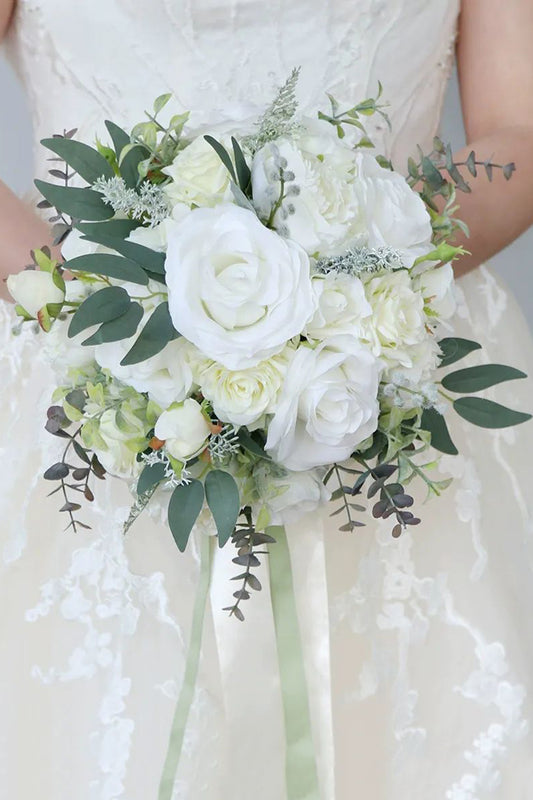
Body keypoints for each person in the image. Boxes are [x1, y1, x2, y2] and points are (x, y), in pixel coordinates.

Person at [1, 1, 533, 798]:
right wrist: (100, 318)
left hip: (397, 363)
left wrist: (355, 280)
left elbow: (518, 133)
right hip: (91, 374)